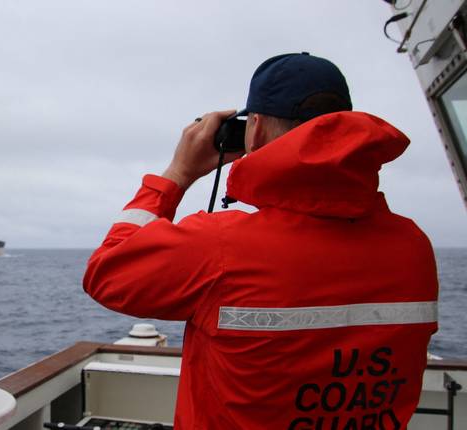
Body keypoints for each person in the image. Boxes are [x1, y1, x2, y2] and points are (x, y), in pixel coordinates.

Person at [83, 53, 439, 429]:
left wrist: (178, 174)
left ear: (255, 129)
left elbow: (106, 272)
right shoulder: (414, 247)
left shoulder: (219, 247)